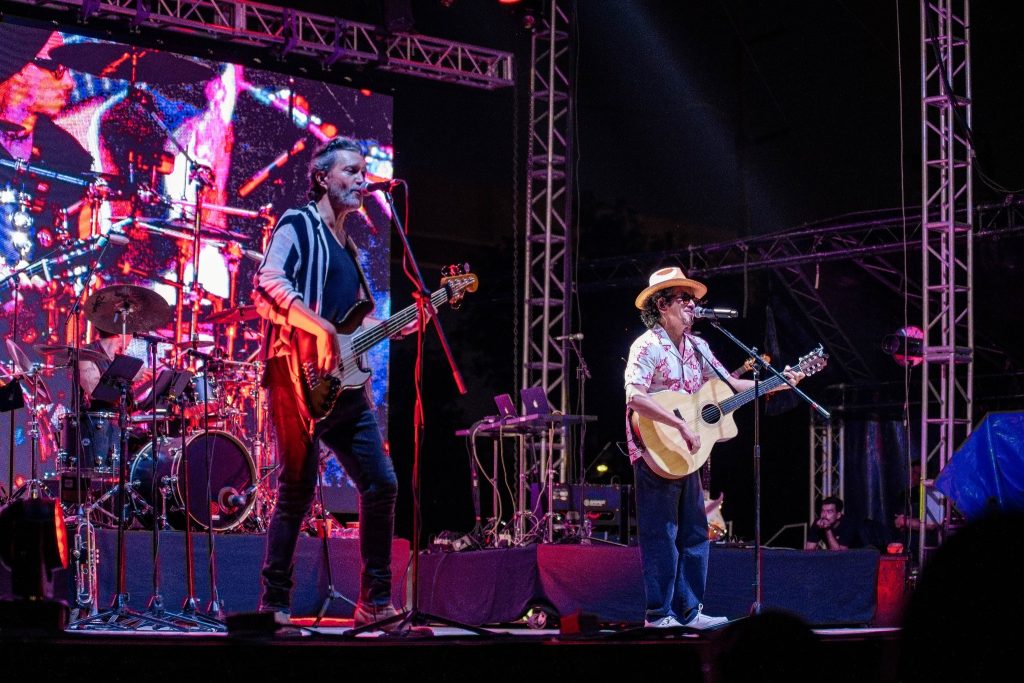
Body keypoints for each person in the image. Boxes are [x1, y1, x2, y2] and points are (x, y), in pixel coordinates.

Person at [252, 135, 421, 627]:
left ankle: (375, 602)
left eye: (364, 171)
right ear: (323, 177)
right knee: (296, 488)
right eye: (350, 170)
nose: (362, 179)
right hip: (295, 376)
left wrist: (400, 323)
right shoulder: (297, 223)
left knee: (382, 482)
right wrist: (320, 326)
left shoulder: (350, 248)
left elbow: (356, 324)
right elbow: (269, 282)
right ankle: (275, 604)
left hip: (344, 388)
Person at [625, 266, 803, 629]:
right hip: (656, 449)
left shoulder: (699, 346)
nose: (693, 305)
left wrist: (776, 384)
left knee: (694, 532)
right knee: (662, 535)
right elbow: (634, 397)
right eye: (684, 299)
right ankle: (658, 615)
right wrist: (677, 424)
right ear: (662, 304)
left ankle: (689, 611)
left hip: (690, 454)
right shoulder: (645, 346)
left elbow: (729, 385)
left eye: (693, 300)